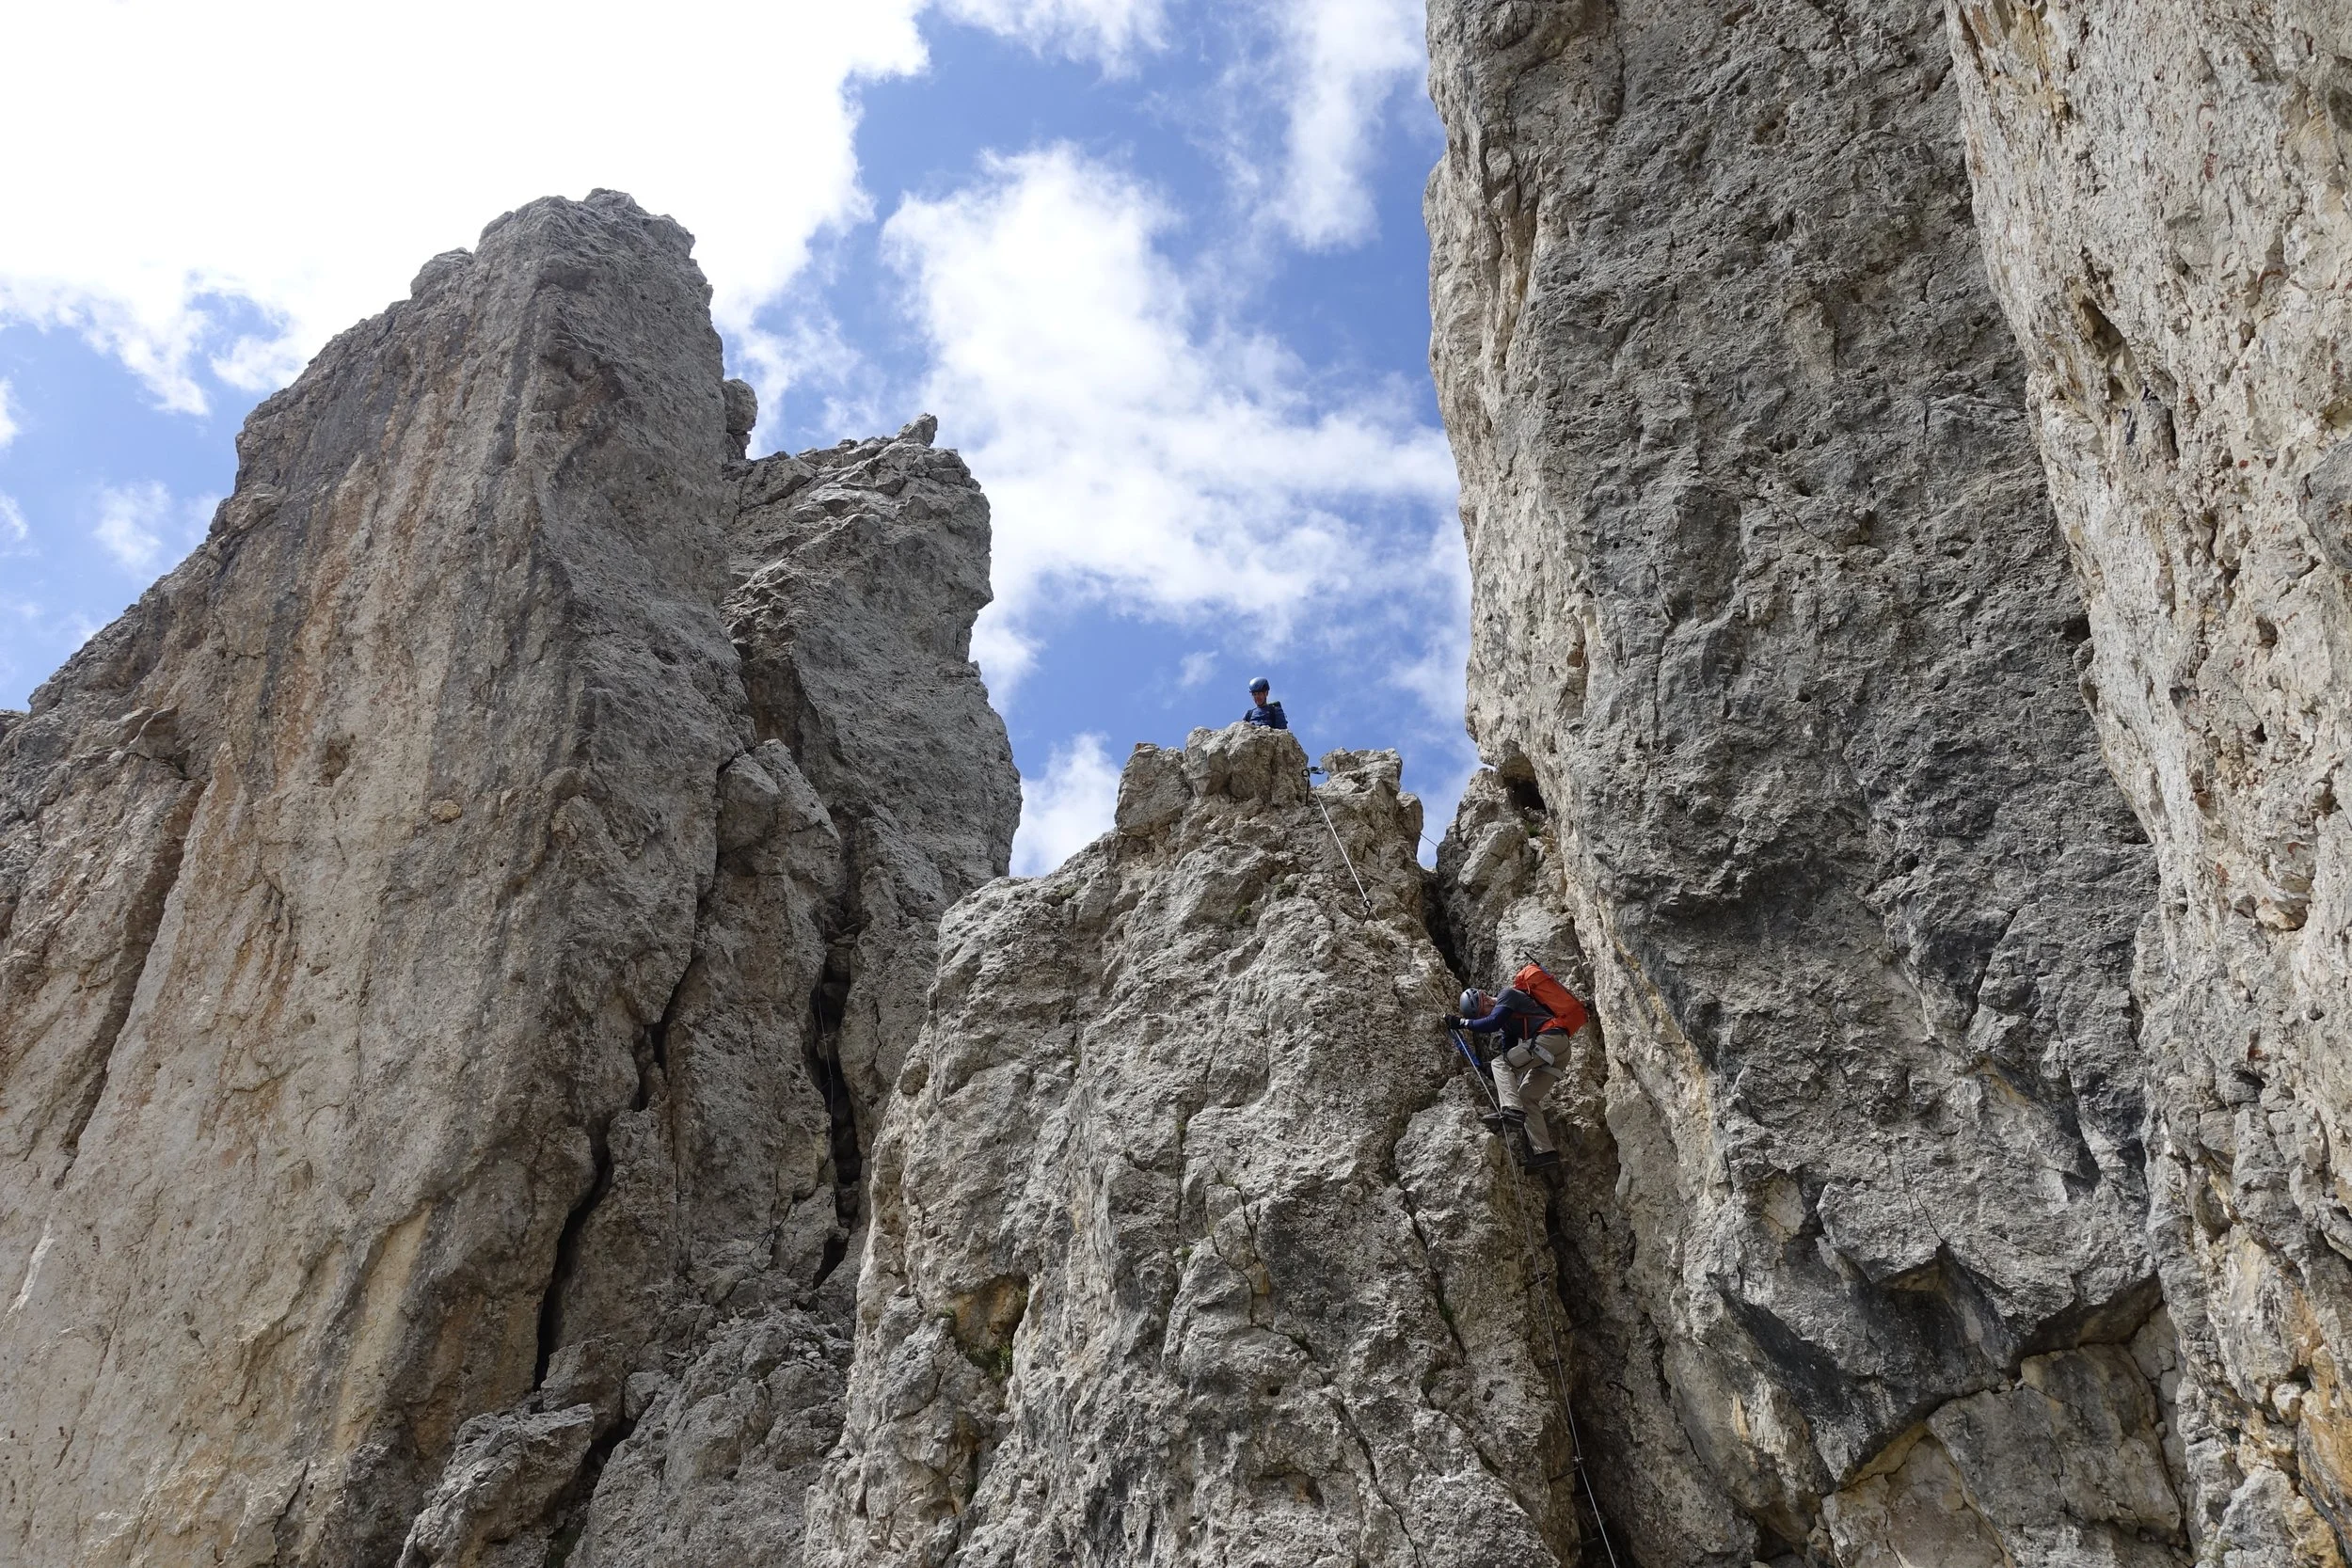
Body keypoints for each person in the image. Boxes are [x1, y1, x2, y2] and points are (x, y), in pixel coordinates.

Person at [1443, 964, 1589, 1171]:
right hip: (1558, 1050)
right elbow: (1509, 1053)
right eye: (1478, 1017)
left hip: (1550, 1039)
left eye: (1480, 1013)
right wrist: (1491, 1071)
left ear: (1483, 999)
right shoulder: (1507, 1024)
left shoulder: (1507, 995)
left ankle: (1511, 1110)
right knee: (1527, 1096)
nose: (1482, 1017)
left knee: (1500, 1065)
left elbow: (1492, 1023)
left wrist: (1462, 1023)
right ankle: (1545, 1153)